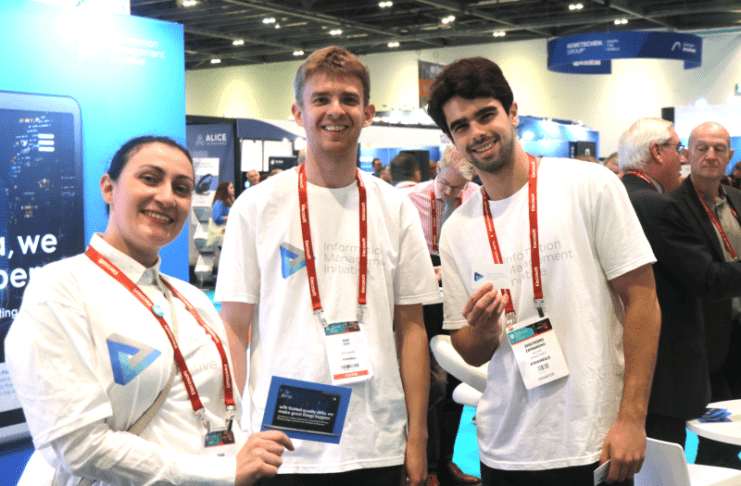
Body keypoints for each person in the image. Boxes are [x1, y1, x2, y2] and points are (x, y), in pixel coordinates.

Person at [5, 136, 293, 486]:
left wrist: (244, 451)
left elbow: (212, 410)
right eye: (150, 179)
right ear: (108, 188)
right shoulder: (60, 291)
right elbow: (80, 447)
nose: (167, 197)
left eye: (182, 188)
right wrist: (220, 473)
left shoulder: (192, 300)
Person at [426, 57, 661, 486]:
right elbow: (471, 351)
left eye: (486, 115)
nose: (476, 133)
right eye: (461, 126)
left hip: (593, 440)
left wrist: (632, 417)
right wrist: (483, 329)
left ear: (513, 112)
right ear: (452, 139)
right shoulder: (458, 229)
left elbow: (642, 299)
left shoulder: (589, 186)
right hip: (505, 449)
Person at [215, 46, 439, 486]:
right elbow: (234, 328)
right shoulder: (256, 206)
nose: (335, 110)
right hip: (280, 445)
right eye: (321, 99)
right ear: (298, 113)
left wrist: (418, 436)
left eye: (348, 99)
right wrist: (235, 430)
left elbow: (412, 327)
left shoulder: (394, 208)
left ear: (368, 113)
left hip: (375, 440)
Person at [618, 117, 712, 447]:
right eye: (679, 149)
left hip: (623, 360)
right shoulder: (656, 205)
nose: (683, 159)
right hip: (664, 366)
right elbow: (705, 278)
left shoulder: (616, 195)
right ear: (657, 152)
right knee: (661, 459)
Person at [406, 144, 480, 486]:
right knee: (429, 382)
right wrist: (427, 271)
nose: (449, 193)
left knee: (457, 380)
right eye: (445, 184)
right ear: (436, 169)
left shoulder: (477, 199)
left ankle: (446, 462)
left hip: (460, 296)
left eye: (457, 188)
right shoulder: (409, 200)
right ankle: (429, 466)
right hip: (422, 302)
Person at [671, 121, 741, 469]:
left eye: (719, 148)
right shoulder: (673, 207)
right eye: (702, 148)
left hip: (739, 334)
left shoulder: (737, 201)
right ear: (687, 154)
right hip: (704, 339)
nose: (711, 155)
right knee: (715, 434)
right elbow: (701, 277)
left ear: (730, 155)